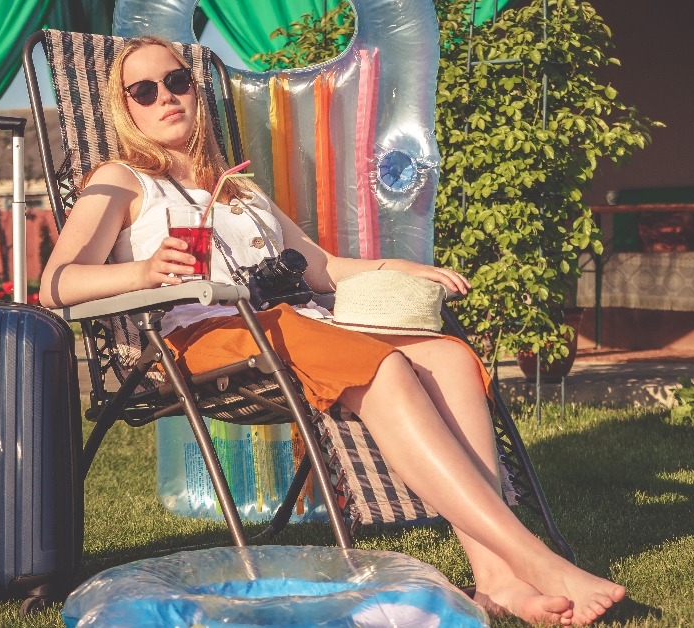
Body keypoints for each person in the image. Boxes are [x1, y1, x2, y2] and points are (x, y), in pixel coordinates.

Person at [40, 36, 627, 626]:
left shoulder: (238, 187)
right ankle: (533, 557)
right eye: (143, 91)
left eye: (176, 82)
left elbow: (320, 269)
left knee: (448, 358)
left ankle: (496, 580)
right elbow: (56, 283)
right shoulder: (120, 179)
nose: (164, 97)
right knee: (382, 364)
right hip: (206, 335)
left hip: (291, 324)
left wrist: (396, 266)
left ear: (194, 91)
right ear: (126, 108)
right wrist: (143, 270)